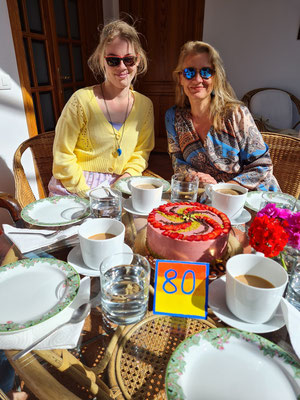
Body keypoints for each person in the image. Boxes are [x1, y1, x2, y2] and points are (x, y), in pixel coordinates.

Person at [48, 19, 154, 197]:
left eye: (129, 59)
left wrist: (126, 178)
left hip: (120, 187)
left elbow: (141, 153)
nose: (122, 67)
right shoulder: (80, 101)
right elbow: (62, 155)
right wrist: (86, 193)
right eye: (113, 60)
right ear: (101, 60)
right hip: (74, 187)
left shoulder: (145, 106)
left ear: (138, 60)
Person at [165, 41, 280, 191]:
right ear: (180, 78)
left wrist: (222, 189)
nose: (198, 79)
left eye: (206, 72)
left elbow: (262, 166)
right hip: (208, 196)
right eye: (189, 72)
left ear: (216, 77)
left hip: (253, 197)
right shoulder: (173, 117)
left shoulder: (236, 114)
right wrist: (194, 176)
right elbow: (178, 162)